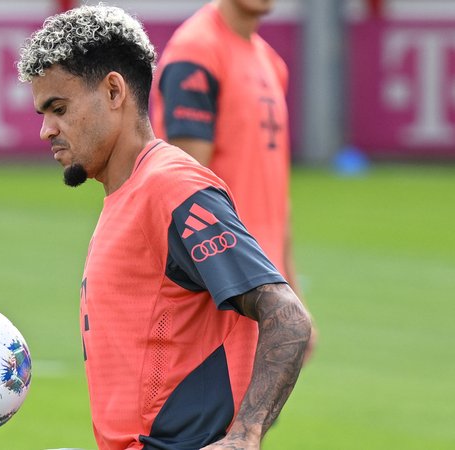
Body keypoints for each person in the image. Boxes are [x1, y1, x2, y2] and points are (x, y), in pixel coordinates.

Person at [17, 5, 311, 450]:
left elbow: (287, 318)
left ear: (114, 91)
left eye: (58, 108)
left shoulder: (171, 188)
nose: (46, 130)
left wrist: (245, 436)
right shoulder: (129, 193)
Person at [152, 0, 300, 303]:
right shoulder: (196, 50)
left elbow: (276, 197)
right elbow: (184, 192)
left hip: (264, 281)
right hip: (224, 287)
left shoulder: (270, 62)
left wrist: (292, 293)